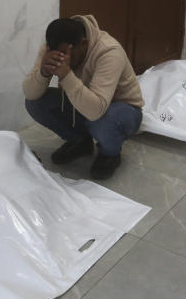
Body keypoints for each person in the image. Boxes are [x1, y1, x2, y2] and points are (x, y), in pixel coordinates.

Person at [23, 15, 144, 180]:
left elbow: (96, 111)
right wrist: (43, 73)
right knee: (35, 103)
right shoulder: (52, 47)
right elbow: (30, 93)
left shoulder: (109, 51)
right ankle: (80, 142)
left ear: (83, 44)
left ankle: (110, 154)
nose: (61, 59)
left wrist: (66, 75)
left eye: (66, 54)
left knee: (102, 121)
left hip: (122, 110)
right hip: (85, 105)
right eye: (56, 54)